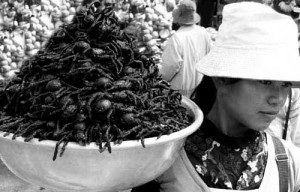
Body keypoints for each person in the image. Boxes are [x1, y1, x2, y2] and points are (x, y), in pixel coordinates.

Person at [132, 2, 300, 192]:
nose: (277, 99)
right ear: (222, 79)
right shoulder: (164, 159)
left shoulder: (287, 162)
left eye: (286, 84)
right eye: (265, 82)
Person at [158, 0, 212, 98]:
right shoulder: (203, 32)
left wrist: (160, 79)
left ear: (178, 18)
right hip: (198, 82)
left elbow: (171, 66)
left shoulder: (177, 38)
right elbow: (209, 55)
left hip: (180, 88)